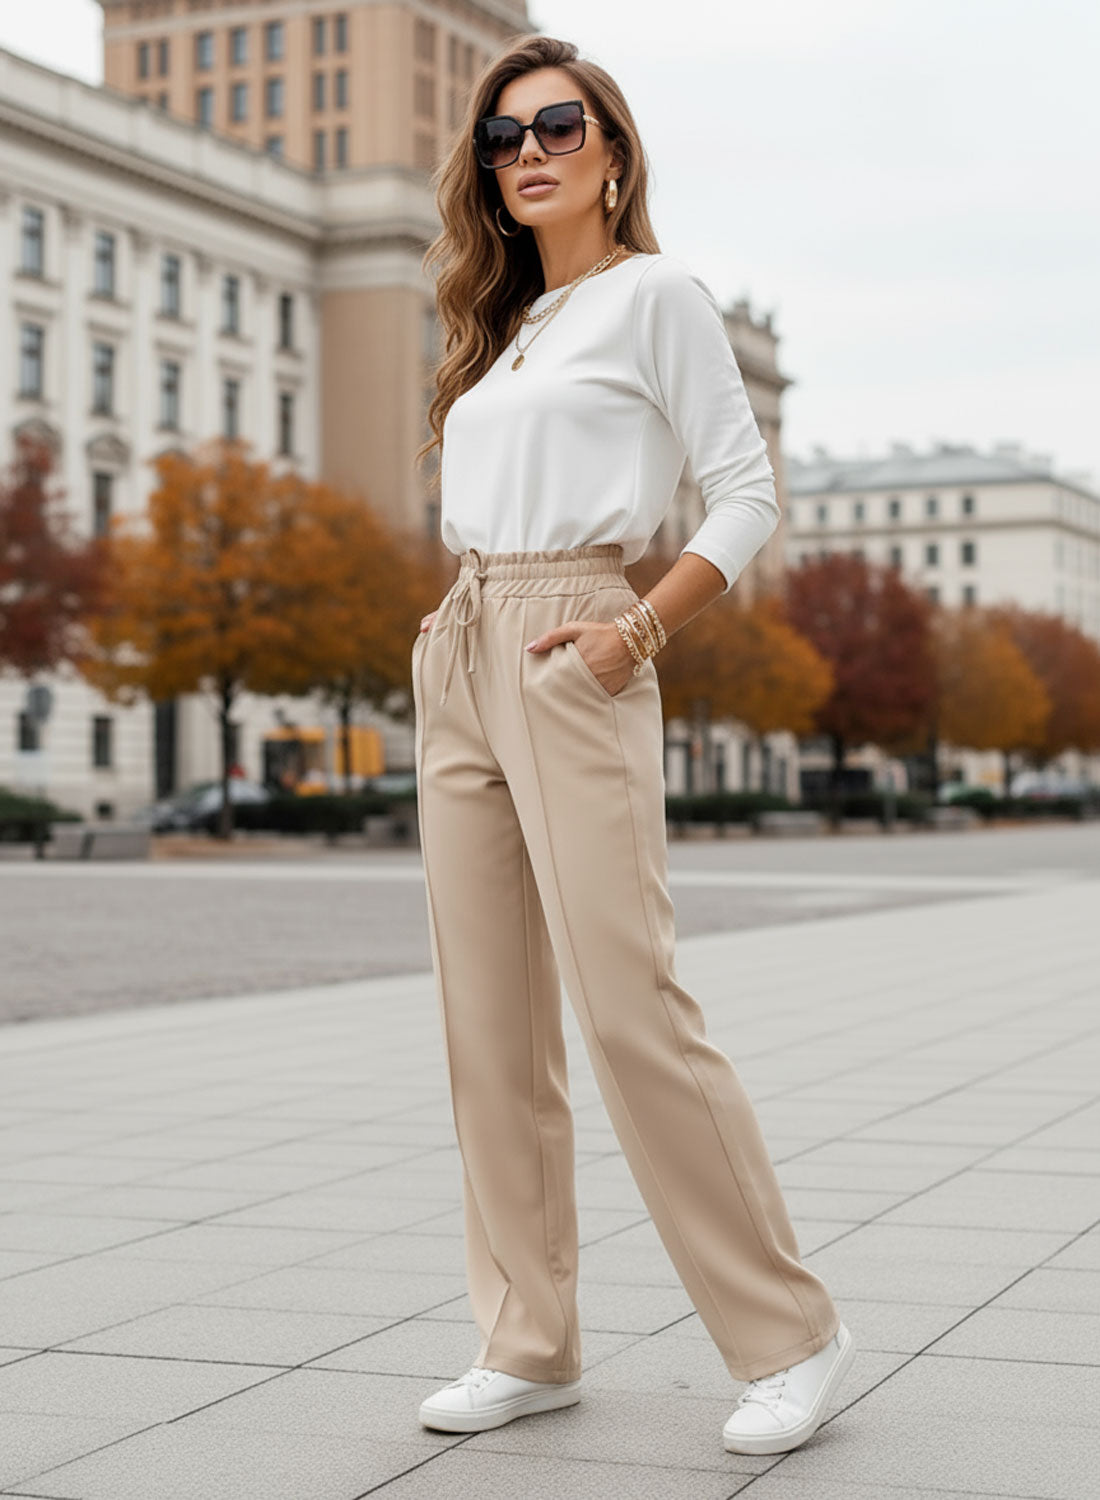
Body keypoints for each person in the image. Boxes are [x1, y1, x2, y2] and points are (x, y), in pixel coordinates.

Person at [409, 34, 856, 1457]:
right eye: (502, 139)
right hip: (467, 643)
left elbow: (742, 497)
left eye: (559, 125)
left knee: (626, 1005)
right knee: (488, 1027)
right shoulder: (498, 334)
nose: (529, 151)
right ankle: (528, 1338)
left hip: (576, 639)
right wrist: (451, 638)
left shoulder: (656, 293)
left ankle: (790, 1332)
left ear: (613, 149)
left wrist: (632, 633)